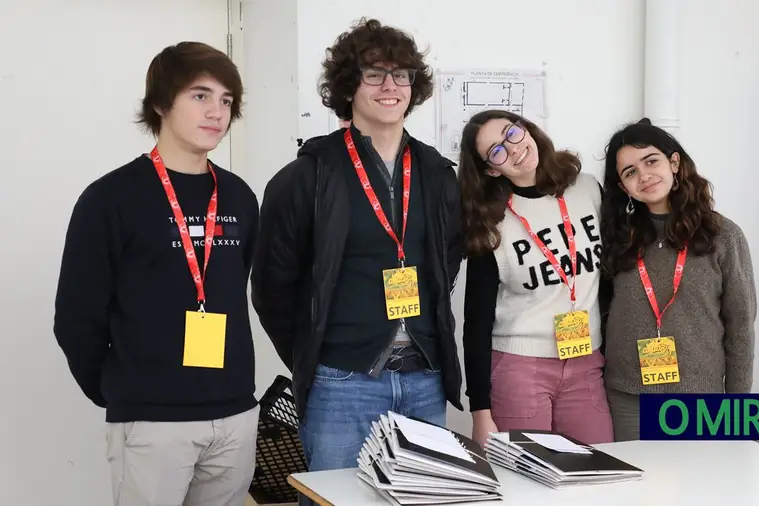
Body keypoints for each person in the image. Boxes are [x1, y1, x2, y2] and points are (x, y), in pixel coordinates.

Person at [251, 18, 464, 472]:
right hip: (341, 382)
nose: (391, 86)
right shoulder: (307, 175)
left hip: (425, 377)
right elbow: (272, 287)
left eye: (401, 74)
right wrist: (318, 356)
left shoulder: (438, 174)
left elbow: (446, 263)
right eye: (374, 73)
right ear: (349, 85)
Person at [52, 42, 260, 506]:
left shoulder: (239, 196)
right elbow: (76, 317)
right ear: (161, 103)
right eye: (200, 96)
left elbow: (234, 285)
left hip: (234, 414)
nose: (217, 112)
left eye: (227, 101)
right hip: (152, 421)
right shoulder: (110, 198)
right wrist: (123, 394)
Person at [457, 109, 614, 447]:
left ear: (526, 129)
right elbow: (477, 322)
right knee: (525, 484)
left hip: (586, 363)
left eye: (511, 134)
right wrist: (479, 410)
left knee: (598, 475)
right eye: (496, 151)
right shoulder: (492, 222)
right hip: (520, 369)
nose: (512, 149)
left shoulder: (587, 189)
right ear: (490, 168)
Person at [599, 118, 757, 441]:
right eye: (630, 172)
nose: (643, 176)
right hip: (627, 398)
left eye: (651, 161)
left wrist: (738, 409)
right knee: (634, 490)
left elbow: (740, 327)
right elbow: (601, 310)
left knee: (700, 489)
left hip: (699, 400)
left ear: (674, 162)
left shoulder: (724, 235)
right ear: (622, 187)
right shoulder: (616, 237)